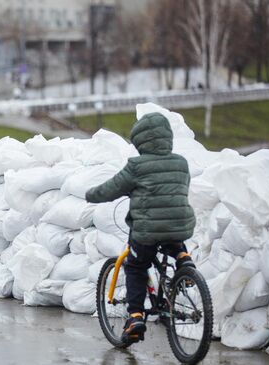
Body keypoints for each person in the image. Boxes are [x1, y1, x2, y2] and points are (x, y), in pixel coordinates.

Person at [85, 112, 196, 345]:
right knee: (170, 229)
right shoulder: (181, 162)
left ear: (140, 142)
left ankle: (135, 317)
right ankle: (184, 258)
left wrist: (91, 195)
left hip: (146, 232)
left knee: (136, 266)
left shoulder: (136, 166)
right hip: (180, 224)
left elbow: (112, 188)